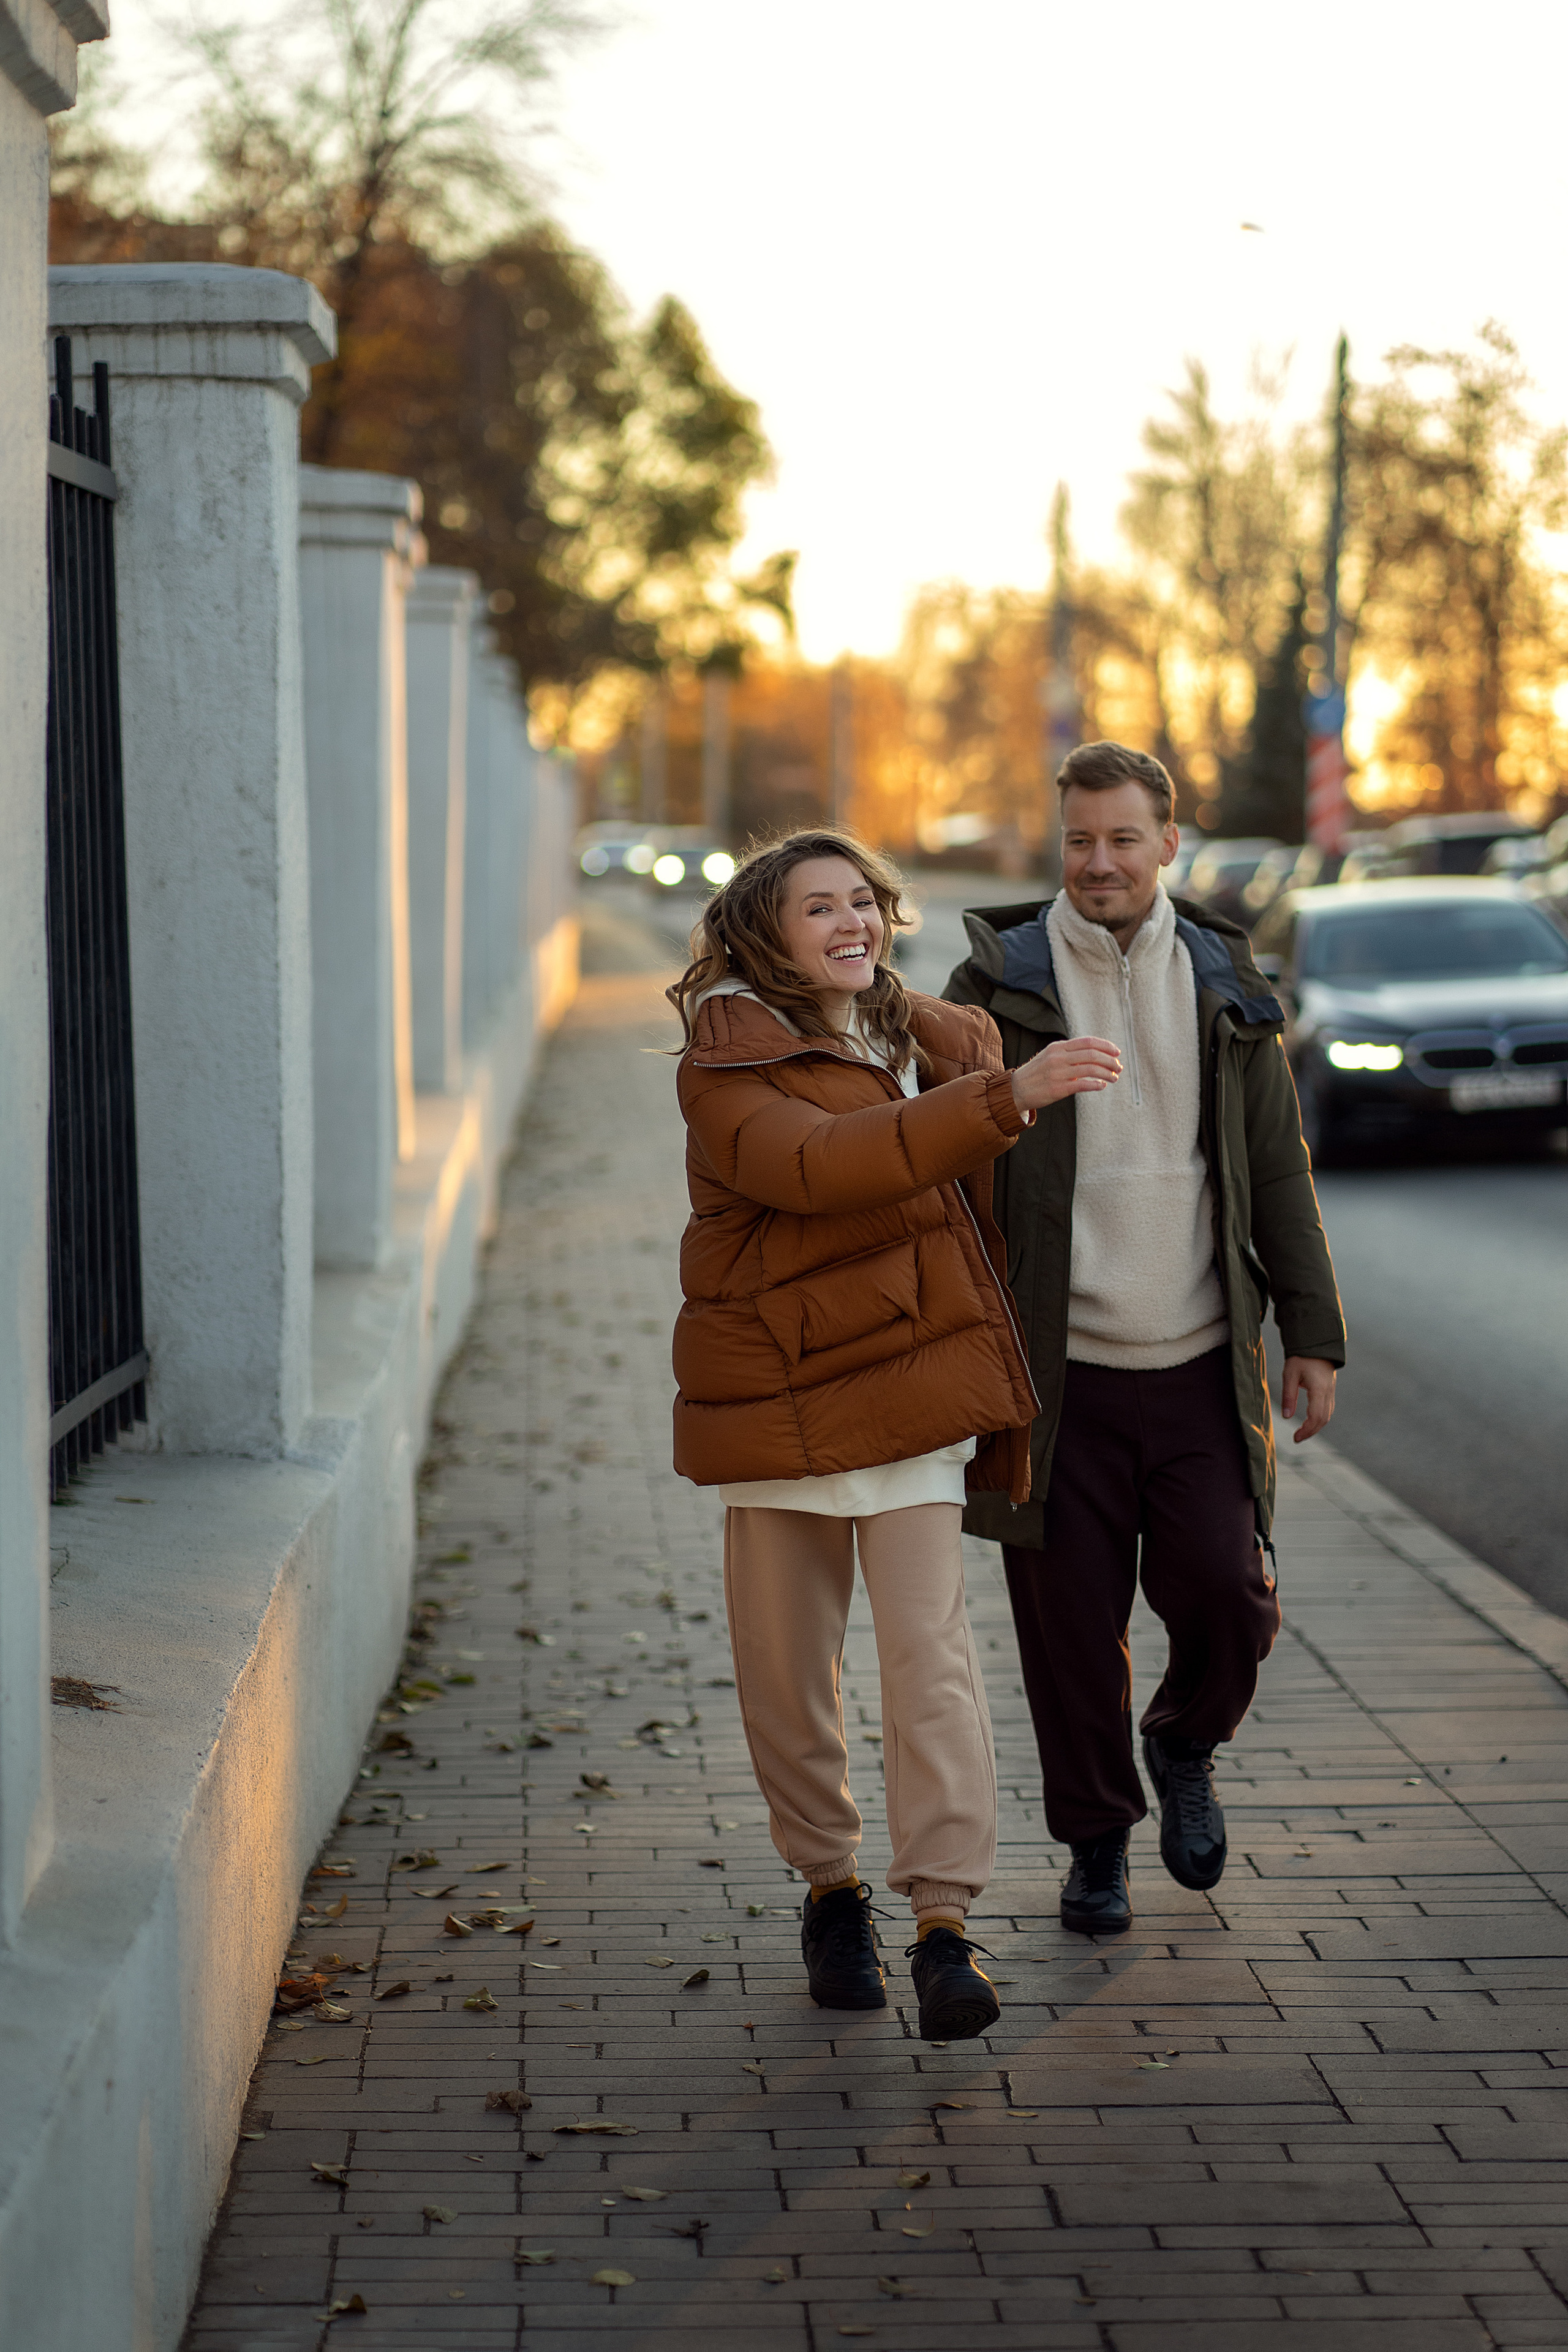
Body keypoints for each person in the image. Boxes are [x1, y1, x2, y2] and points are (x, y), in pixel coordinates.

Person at [669, 827, 1122, 2036]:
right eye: (820, 907)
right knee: (787, 1674)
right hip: (779, 1406)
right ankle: (828, 1890)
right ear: (765, 931)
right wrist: (1000, 1099)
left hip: (913, 1403)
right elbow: (817, 1168)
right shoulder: (727, 1061)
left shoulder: (936, 1040)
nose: (851, 923)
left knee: (931, 1672)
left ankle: (943, 1926)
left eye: (863, 901)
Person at [943, 742, 1346, 1935]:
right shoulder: (992, 991)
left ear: (1168, 843)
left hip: (1193, 1366)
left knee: (1226, 1597)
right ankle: (1095, 1846)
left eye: (1123, 838)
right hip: (1048, 1382)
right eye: (1078, 840)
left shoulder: (1226, 982)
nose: (1099, 862)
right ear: (1056, 844)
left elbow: (1274, 1167)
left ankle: (1180, 1742)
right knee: (1066, 1635)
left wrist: (1310, 1332)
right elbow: (942, 1165)